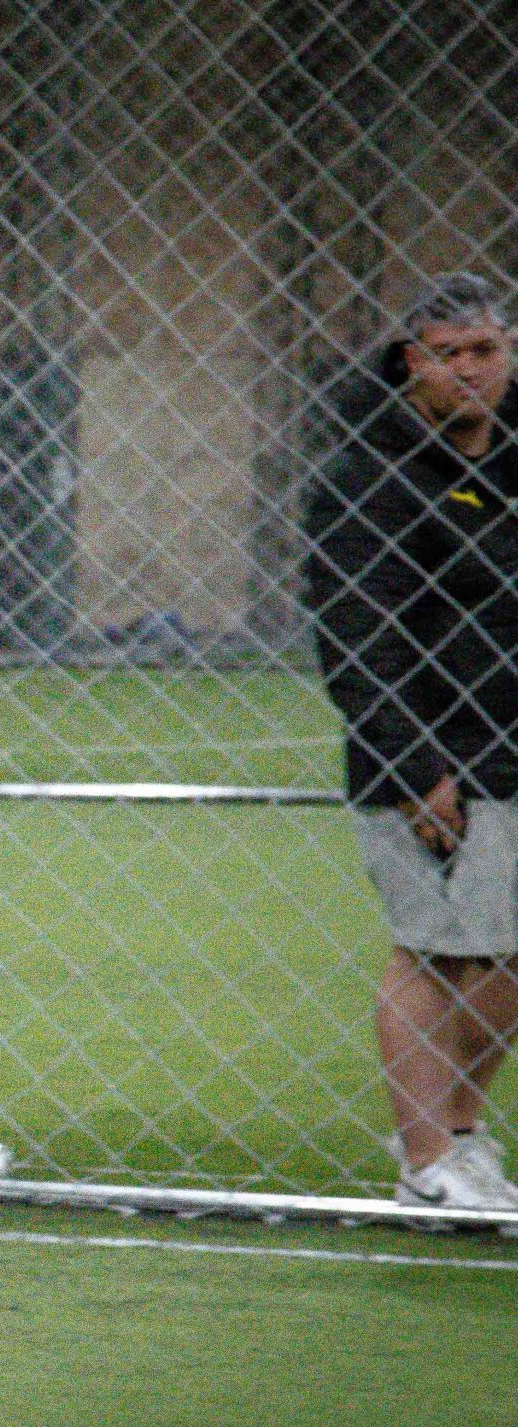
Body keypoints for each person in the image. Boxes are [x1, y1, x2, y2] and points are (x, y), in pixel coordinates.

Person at [305, 272, 518, 1224]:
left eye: (486, 350)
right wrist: (410, 767)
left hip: (510, 742)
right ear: (411, 363)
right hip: (434, 756)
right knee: (433, 952)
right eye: (449, 354)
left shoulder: (508, 461)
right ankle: (426, 1160)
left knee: (504, 955)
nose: (471, 370)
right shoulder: (367, 478)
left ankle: (457, 1136)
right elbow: (359, 637)